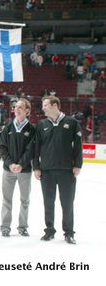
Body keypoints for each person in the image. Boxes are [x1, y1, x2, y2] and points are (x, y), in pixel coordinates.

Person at [33, 95, 83, 245]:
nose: (43, 108)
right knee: (48, 202)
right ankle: (49, 231)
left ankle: (69, 232)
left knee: (67, 203)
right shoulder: (42, 124)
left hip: (67, 171)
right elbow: (36, 148)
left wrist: (78, 165)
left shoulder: (72, 122)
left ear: (55, 105)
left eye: (46, 105)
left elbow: (78, 146)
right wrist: (36, 167)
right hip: (46, 171)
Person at [0, 99, 36, 237]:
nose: (17, 109)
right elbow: (3, 149)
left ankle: (22, 227)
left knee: (25, 200)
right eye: (15, 107)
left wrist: (21, 164)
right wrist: (11, 164)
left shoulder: (32, 129)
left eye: (20, 107)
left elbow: (30, 149)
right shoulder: (7, 128)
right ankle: (5, 227)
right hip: (8, 170)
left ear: (27, 111)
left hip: (24, 171)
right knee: (7, 199)